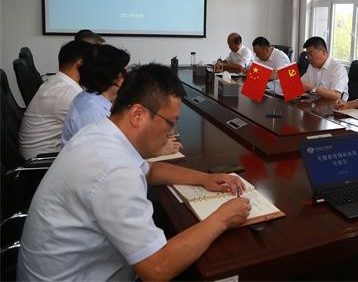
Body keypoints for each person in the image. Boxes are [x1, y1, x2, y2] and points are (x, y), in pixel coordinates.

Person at [17, 63, 250, 281]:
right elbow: (157, 269)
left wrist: (205, 179)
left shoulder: (101, 132)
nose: (172, 132)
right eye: (170, 122)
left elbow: (150, 171)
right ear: (138, 115)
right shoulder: (114, 169)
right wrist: (222, 218)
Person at [18, 40, 92, 159]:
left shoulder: (57, 82)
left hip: (43, 156)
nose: (97, 70)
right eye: (95, 65)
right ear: (80, 64)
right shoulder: (66, 93)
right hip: (43, 162)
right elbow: (96, 130)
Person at [60, 44, 130, 146]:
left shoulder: (93, 99)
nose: (126, 75)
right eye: (123, 71)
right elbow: (104, 148)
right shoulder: (90, 110)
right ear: (113, 77)